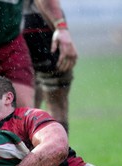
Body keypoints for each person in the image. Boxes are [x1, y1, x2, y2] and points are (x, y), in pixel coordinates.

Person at [22, 0, 77, 133]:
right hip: (40, 23)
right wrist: (61, 27)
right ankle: (56, 151)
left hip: (7, 22)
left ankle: (27, 151)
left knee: (21, 108)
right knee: (56, 104)